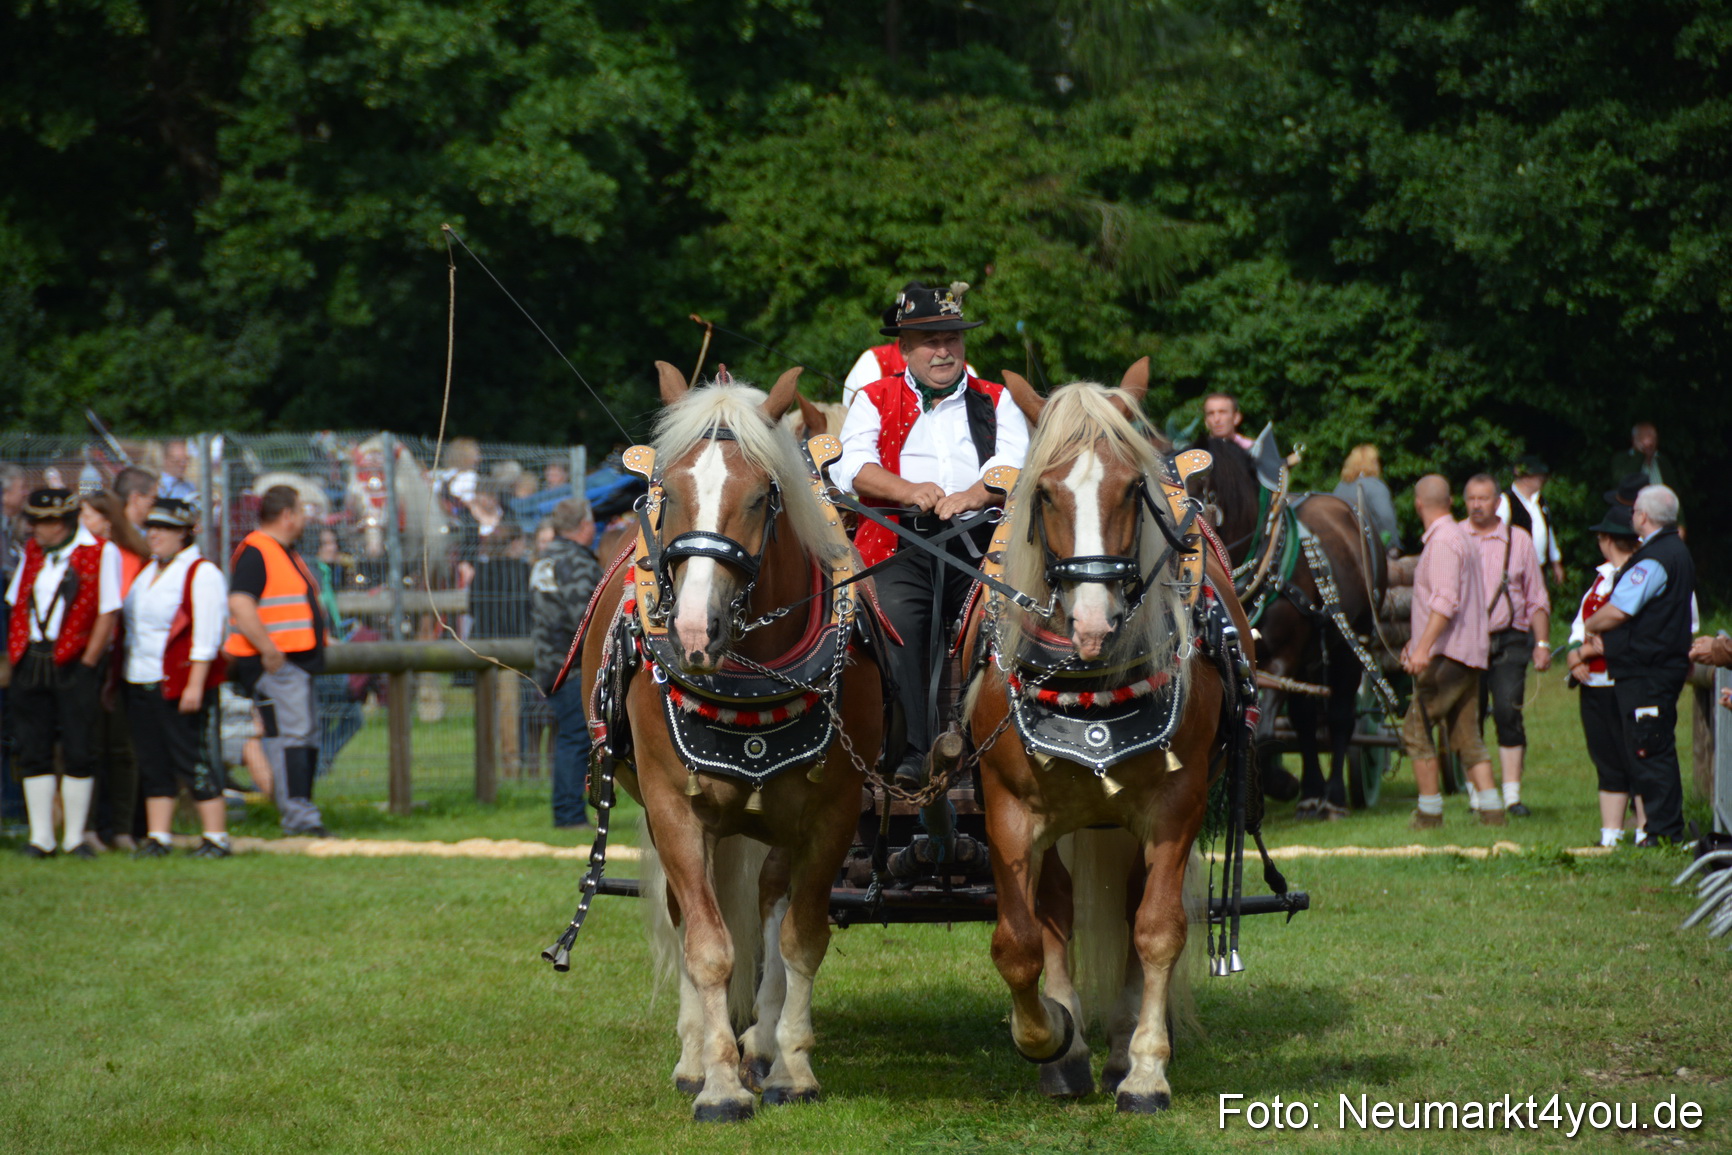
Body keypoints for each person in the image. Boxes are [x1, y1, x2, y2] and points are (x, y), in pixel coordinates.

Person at [833, 280, 1029, 786]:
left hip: (984, 542)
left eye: (951, 338)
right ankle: (914, 753)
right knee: (898, 621)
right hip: (901, 541)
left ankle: (1002, 748)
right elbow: (851, 465)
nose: (942, 350)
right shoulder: (874, 398)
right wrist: (906, 489)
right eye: (928, 340)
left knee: (1010, 619)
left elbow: (1016, 462)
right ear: (903, 348)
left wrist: (976, 492)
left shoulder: (998, 400)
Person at [4, 489, 123, 857]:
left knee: (78, 746)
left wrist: (88, 661)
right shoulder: (33, 554)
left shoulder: (101, 551)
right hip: (32, 658)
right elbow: (17, 602)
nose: (37, 528)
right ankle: (42, 838)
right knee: (32, 745)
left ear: (66, 522)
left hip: (74, 661)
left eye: (45, 521)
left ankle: (74, 837)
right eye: (34, 520)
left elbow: (108, 610)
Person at [1580, 485, 1694, 846]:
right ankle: (1661, 828)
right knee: (1654, 744)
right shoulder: (1677, 551)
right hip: (1659, 666)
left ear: (1642, 517)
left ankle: (1662, 833)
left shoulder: (1655, 558)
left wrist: (1592, 624)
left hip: (1648, 670)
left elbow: (1621, 608)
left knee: (1650, 747)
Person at [123, 498, 231, 857]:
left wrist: (195, 685)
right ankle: (159, 836)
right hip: (140, 677)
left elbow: (206, 635)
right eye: (151, 526)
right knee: (152, 759)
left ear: (185, 533)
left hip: (179, 681)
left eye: (165, 527)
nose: (154, 533)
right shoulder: (148, 572)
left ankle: (215, 836)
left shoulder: (201, 572)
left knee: (192, 756)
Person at [223, 485, 332, 837]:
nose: (303, 520)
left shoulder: (281, 551)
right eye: (301, 511)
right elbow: (240, 603)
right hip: (278, 664)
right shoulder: (258, 551)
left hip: (293, 663)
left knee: (301, 737)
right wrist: (269, 650)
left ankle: (301, 811)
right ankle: (299, 818)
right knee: (291, 738)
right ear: (287, 515)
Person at [1399, 475, 1501, 827]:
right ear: (1452, 501)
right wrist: (1416, 643)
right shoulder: (1462, 538)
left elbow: (1444, 601)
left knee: (1415, 727)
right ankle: (1492, 810)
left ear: (1418, 504)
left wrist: (1422, 649)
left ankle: (1429, 812)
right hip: (1468, 652)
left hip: (1448, 654)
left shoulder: (1443, 542)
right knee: (1466, 734)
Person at [1461, 474, 1551, 817]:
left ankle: (1512, 796)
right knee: (1469, 717)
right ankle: (1478, 796)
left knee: (1506, 709)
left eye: (1483, 498)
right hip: (1465, 640)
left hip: (1510, 637)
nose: (1477, 505)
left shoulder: (1519, 540)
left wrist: (1541, 642)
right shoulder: (1455, 537)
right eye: (1471, 498)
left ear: (1498, 501)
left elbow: (1537, 597)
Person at [1566, 504, 1648, 847]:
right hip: (1595, 684)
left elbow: (1626, 628)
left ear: (1607, 539)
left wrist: (1588, 650)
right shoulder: (1601, 579)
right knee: (1606, 756)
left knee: (1637, 756)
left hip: (1627, 681)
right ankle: (1610, 834)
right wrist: (1574, 654)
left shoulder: (1641, 575)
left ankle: (1646, 830)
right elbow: (1578, 628)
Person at [80, 490, 151, 851]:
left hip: (121, 658)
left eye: (88, 515)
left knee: (122, 748)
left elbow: (116, 609)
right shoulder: (78, 556)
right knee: (88, 746)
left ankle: (122, 828)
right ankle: (89, 827)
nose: (82, 523)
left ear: (107, 520)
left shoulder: (126, 557)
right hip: (88, 659)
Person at [531, 496, 601, 828]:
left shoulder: (545, 559)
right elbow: (587, 621)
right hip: (572, 667)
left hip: (548, 661)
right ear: (585, 526)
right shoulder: (577, 563)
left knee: (571, 736)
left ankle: (568, 810)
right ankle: (569, 814)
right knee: (576, 738)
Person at [311, 527, 364, 773]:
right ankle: (321, 763)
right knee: (350, 715)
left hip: (329, 650)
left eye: (334, 542)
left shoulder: (325, 573)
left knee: (325, 716)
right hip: (321, 653)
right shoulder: (312, 573)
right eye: (326, 543)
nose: (333, 548)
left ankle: (319, 763)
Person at [1495, 456, 1564, 587]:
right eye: (1539, 476)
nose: (1543, 480)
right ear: (1526, 478)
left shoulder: (1541, 501)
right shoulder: (1506, 501)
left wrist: (1556, 562)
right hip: (1516, 572)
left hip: (1540, 568)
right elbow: (1498, 537)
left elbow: (1548, 532)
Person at [1333, 444, 1401, 552]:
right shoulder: (1374, 486)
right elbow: (1386, 517)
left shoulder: (1340, 487)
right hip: (1368, 551)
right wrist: (1392, 545)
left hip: (1343, 549)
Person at [1612, 422, 1666, 488]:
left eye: (1653, 437)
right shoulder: (1621, 458)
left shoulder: (1662, 460)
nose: (1650, 442)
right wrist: (1640, 454)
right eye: (1644, 437)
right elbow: (1624, 481)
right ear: (1634, 439)